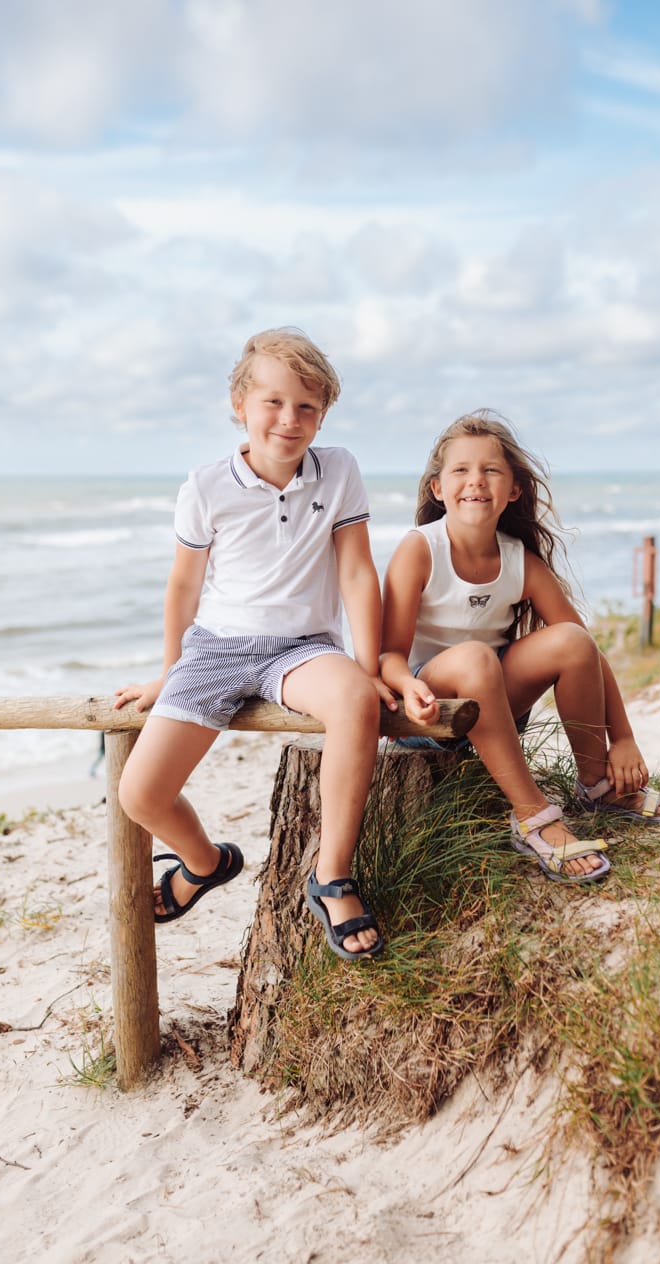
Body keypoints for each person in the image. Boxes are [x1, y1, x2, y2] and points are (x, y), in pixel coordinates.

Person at [115, 327, 396, 958]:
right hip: (216, 648)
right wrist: (170, 671)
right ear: (240, 404)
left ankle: (332, 875)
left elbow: (355, 571)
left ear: (322, 414)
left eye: (306, 406)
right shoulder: (206, 485)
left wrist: (368, 666)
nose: (289, 419)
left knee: (356, 702)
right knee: (140, 793)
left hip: (301, 648)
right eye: (272, 402)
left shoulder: (341, 471)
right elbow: (183, 588)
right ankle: (204, 862)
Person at [380, 411, 660, 884]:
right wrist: (403, 685)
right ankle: (531, 813)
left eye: (491, 470)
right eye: (460, 470)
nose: (475, 481)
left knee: (571, 639)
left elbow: (587, 653)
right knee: (478, 657)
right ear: (438, 488)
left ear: (514, 489)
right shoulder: (420, 549)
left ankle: (597, 783)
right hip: (424, 711)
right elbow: (388, 655)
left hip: (495, 703)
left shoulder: (520, 561)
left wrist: (622, 737)